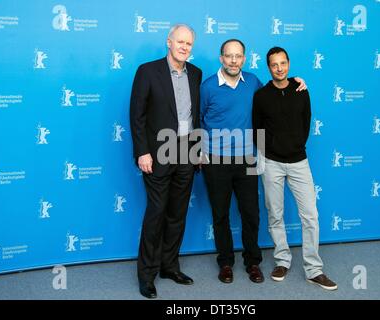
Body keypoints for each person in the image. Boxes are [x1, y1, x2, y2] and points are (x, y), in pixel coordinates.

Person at [200, 39, 306, 284]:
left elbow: (277, 90)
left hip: (248, 159)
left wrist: (298, 82)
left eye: (238, 56)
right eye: (229, 56)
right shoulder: (207, 87)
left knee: (251, 214)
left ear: (244, 59)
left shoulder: (254, 83)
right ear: (221, 58)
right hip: (216, 161)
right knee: (220, 214)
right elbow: (200, 118)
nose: (234, 61)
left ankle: (252, 262)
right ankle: (225, 262)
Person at [252, 46, 337, 290]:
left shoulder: (301, 90)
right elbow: (257, 129)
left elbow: (305, 122)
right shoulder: (261, 96)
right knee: (275, 214)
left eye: (283, 63)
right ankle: (282, 260)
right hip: (271, 163)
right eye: (274, 64)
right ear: (268, 67)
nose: (279, 68)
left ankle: (313, 269)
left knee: (310, 215)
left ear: (289, 64)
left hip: (299, 162)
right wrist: (268, 154)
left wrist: (296, 145)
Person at [129, 24, 202, 299]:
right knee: (156, 213)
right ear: (169, 42)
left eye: (189, 44)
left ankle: (170, 266)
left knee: (178, 214)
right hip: (158, 154)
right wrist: (142, 152)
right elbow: (137, 116)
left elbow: (196, 116)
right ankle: (146, 275)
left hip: (186, 152)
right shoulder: (147, 71)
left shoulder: (195, 73)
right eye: (180, 42)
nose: (185, 47)